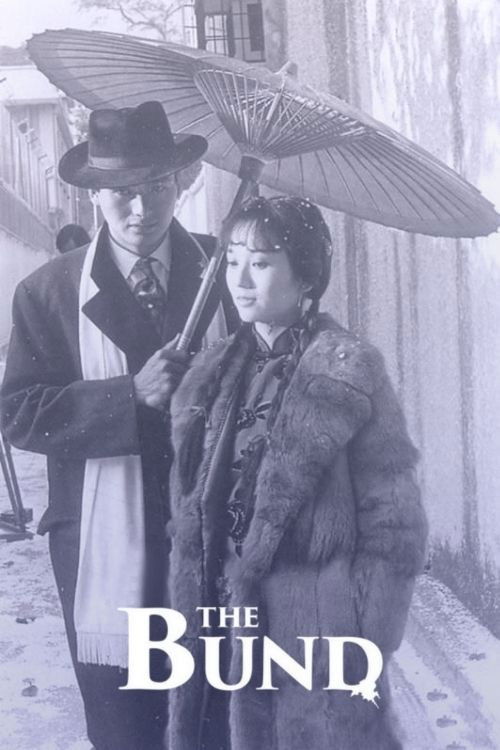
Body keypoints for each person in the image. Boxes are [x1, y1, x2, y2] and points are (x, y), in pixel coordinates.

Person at [1, 101, 235, 750]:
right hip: (100, 544)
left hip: (211, 531)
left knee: (215, 718)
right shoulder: (49, 293)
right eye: (122, 192)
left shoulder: (224, 271)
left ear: (180, 183)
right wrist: (128, 397)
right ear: (94, 194)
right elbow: (18, 411)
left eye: (156, 187)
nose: (141, 209)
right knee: (126, 727)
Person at [167, 196, 428, 750]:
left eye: (261, 263)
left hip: (313, 639)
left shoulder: (348, 371)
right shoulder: (211, 372)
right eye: (232, 259)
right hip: (218, 625)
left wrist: (365, 636)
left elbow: (395, 521)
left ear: (306, 275)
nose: (240, 279)